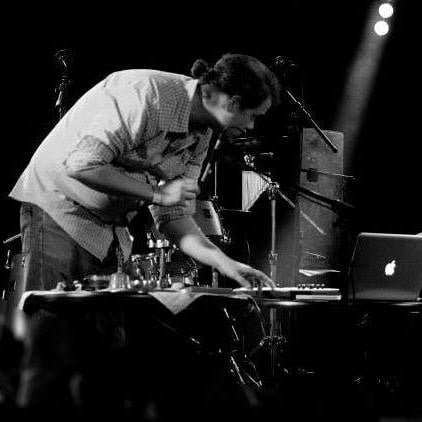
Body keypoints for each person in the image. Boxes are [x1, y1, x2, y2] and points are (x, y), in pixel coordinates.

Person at [9, 53, 279, 305]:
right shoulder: (146, 95)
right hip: (60, 209)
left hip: (107, 230)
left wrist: (227, 264)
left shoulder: (202, 135)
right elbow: (82, 165)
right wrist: (158, 194)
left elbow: (174, 217)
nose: (251, 126)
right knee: (54, 325)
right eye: (253, 116)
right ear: (233, 102)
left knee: (106, 331)